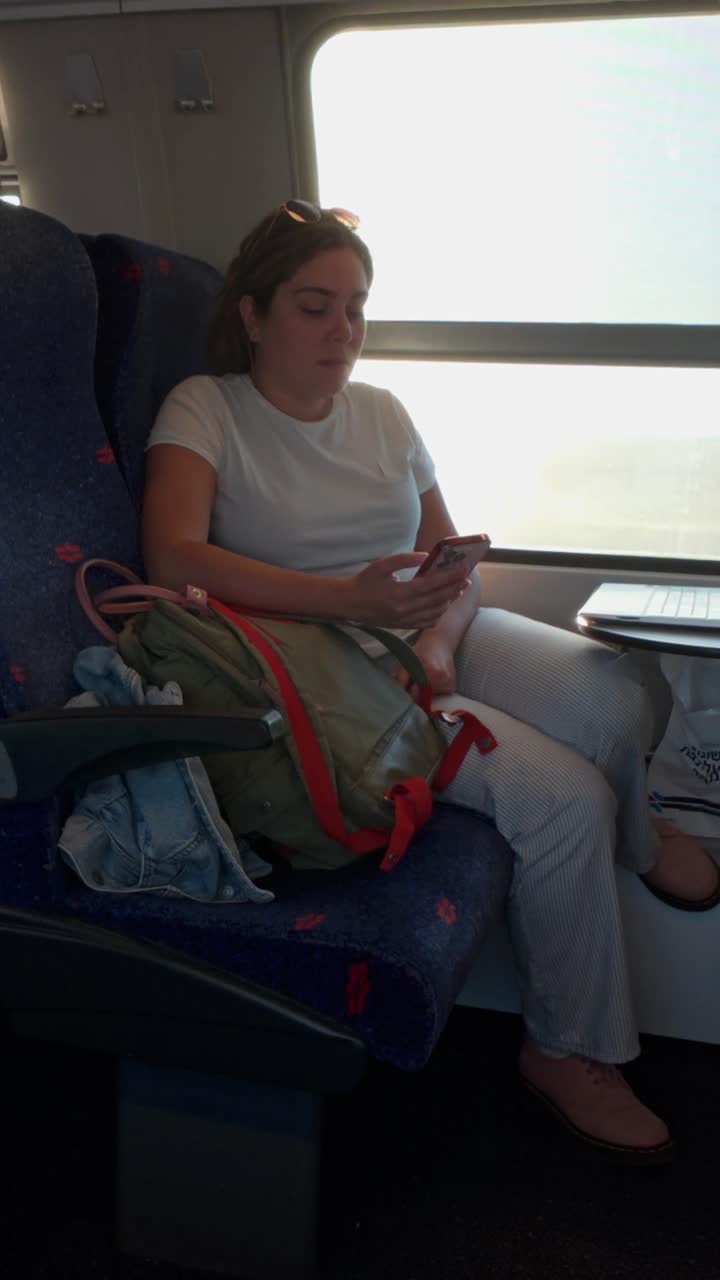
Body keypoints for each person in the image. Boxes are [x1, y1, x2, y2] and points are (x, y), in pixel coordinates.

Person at [142, 199, 720, 1163]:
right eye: (314, 307)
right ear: (253, 314)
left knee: (614, 695)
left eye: (356, 308)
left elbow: (450, 561)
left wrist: (444, 641)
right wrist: (350, 602)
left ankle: (639, 832)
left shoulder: (384, 411)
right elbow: (174, 556)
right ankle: (568, 1050)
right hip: (325, 670)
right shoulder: (207, 407)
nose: (343, 330)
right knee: (561, 798)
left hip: (424, 632)